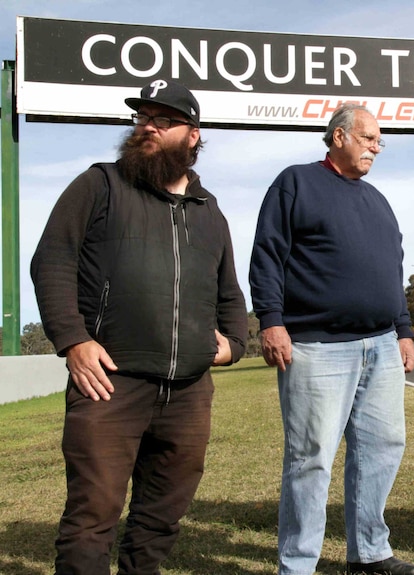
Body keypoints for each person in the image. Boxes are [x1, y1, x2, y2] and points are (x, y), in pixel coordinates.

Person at [30, 79, 248, 575]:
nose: (148, 126)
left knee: (161, 517)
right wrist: (73, 340)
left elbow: (229, 291)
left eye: (164, 120)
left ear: (193, 136)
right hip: (111, 383)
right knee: (92, 516)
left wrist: (233, 345)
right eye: (143, 117)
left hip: (189, 392)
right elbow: (52, 259)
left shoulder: (208, 210)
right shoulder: (100, 184)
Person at [249, 103, 414, 575]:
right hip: (316, 347)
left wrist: (404, 330)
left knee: (382, 449)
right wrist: (271, 320)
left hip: (381, 347)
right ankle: (299, 564)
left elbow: (392, 269)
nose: (376, 148)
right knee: (311, 460)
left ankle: (368, 553)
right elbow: (267, 254)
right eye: (369, 139)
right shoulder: (296, 182)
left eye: (379, 142)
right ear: (339, 136)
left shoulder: (377, 200)